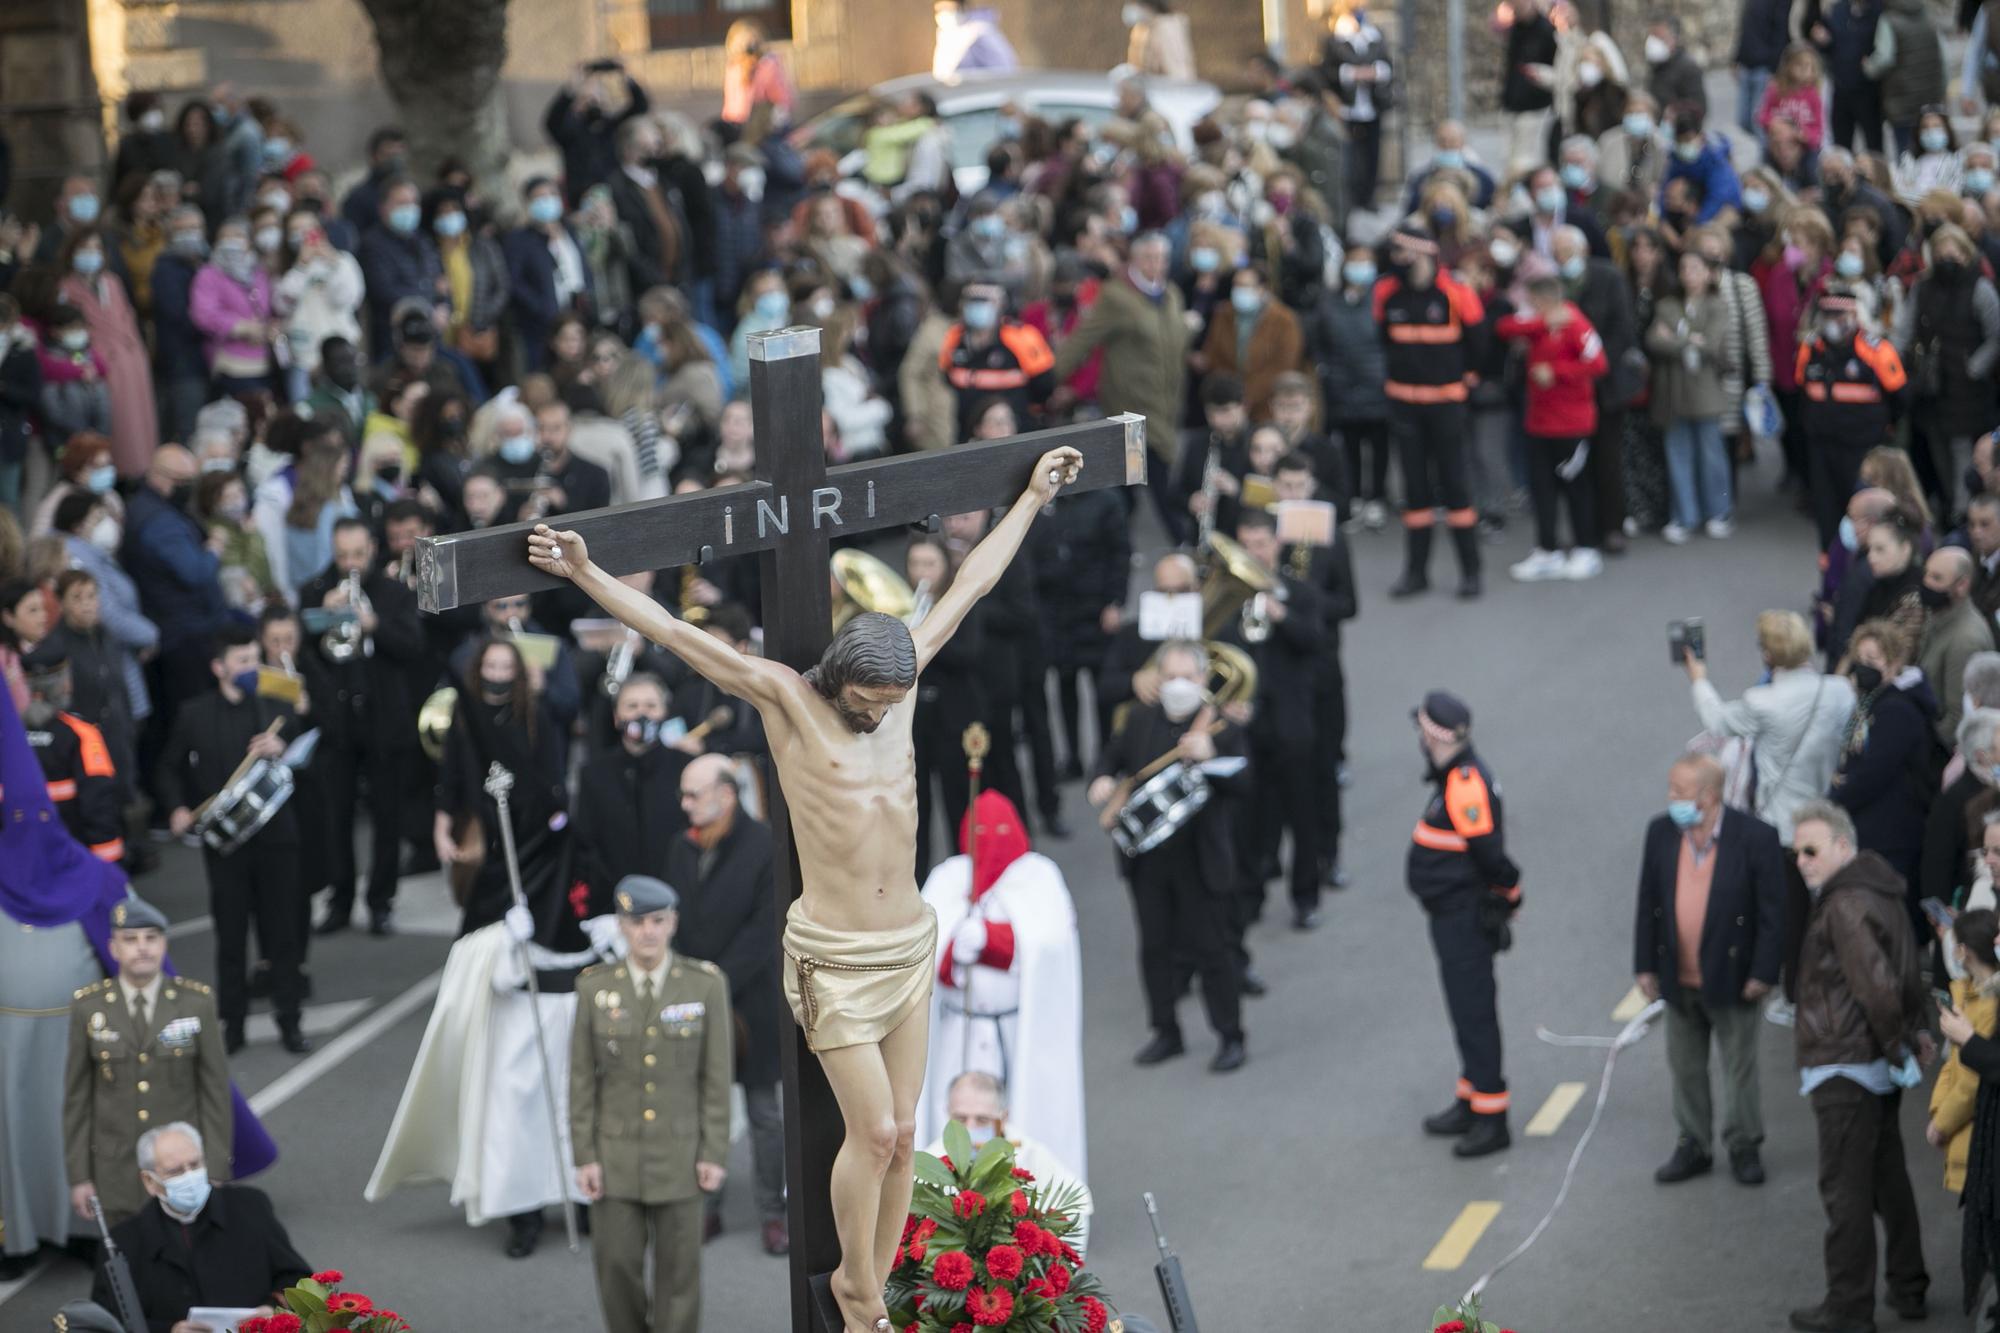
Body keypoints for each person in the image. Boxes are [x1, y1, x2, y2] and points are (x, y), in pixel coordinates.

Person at [528, 440, 1080, 1333]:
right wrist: (590, 574)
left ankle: (879, 1278)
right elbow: (675, 633)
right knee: (870, 1132)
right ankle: (852, 1288)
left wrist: (1032, 500)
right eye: (866, 699)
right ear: (839, 674)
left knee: (904, 1133)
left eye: (890, 698)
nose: (877, 712)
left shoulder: (900, 681)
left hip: (907, 942)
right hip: (832, 955)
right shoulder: (787, 699)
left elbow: (970, 584)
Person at [364, 859, 622, 1260]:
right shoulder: (505, 872)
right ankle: (525, 1215)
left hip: (580, 1009)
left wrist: (613, 935)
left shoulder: (589, 859)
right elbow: (483, 965)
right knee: (518, 1117)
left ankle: (588, 1200)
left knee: (585, 1110)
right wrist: (505, 940)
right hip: (523, 1018)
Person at [1787, 799, 1931, 1333]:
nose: (1801, 860)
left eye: (1811, 850)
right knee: (1887, 1179)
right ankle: (1908, 1284)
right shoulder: (1881, 890)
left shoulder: (1844, 904)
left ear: (1842, 847)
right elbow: (1906, 972)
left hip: (1843, 1065)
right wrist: (1908, 1039)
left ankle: (1848, 1308)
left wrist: (1897, 1043)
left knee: (1844, 1192)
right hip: (1872, 1063)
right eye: (1796, 850)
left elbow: (1876, 986)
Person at [570, 876, 732, 1333]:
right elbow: (581, 1080)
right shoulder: (593, 989)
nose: (648, 931)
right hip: (615, 1156)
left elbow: (716, 1078)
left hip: (681, 1155)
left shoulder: (705, 986)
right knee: (616, 1268)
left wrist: (714, 1152)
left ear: (673, 923)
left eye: (657, 921)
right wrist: (584, 1155)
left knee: (679, 1275)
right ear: (621, 926)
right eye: (637, 922)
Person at [1088, 639, 1248, 1073]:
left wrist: (1212, 756)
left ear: (1203, 679)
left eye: (1187, 677)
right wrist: (1102, 779)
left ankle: (1230, 1035)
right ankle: (1166, 1031)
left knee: (1212, 949)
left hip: (1200, 859)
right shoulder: (1139, 720)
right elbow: (1111, 758)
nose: (1178, 685)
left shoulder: (1220, 727)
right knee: (1154, 947)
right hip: (1149, 861)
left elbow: (1246, 785)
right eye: (1170, 676)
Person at [1634, 754, 1788, 1186]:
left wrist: (1764, 972)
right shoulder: (1661, 833)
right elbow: (1649, 902)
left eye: (1680, 791)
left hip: (1735, 978)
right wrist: (1645, 966)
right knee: (1685, 1067)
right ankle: (1693, 1144)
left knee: (1739, 1067)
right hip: (1677, 976)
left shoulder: (1755, 837)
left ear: (1709, 796)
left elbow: (1774, 914)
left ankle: (1744, 1145)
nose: (1671, 799)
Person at [919, 787, 1085, 1184]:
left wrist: (992, 939)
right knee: (959, 1114)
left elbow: (1049, 943)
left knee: (1015, 1115)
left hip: (1015, 1029)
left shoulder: (1037, 876)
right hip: (961, 1024)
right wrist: (952, 951)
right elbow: (921, 945)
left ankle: (1022, 1200)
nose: (989, 839)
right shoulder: (948, 877)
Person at [155, 629, 309, 1055]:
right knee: (231, 937)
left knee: (282, 937)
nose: (250, 669)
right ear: (218, 667)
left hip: (277, 838)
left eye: (254, 659)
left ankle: (291, 1022)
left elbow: (308, 745)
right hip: (226, 846)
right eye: (241, 661)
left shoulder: (276, 706)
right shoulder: (194, 714)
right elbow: (167, 767)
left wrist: (283, 744)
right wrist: (177, 809)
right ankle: (234, 1027)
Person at [665, 754, 787, 1255]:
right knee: (700, 1111)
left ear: (727, 794)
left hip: (750, 1001)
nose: (685, 804)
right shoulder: (680, 846)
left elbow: (764, 931)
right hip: (694, 996)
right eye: (684, 795)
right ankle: (706, 1207)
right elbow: (673, 917)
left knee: (763, 1112)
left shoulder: (764, 847)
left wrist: (713, 982)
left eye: (694, 794)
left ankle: (773, 1214)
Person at [64, 895, 232, 1227]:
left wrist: (214, 1166)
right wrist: (80, 1176)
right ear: (113, 948)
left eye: (151, 938)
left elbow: (214, 1091)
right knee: (127, 1264)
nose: (142, 948)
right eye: (130, 940)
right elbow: (77, 1099)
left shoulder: (195, 1003)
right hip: (117, 1174)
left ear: (164, 945)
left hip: (180, 1173)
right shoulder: (90, 1008)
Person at [1409, 690, 1521, 1159]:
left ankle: (1492, 1118)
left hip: (1463, 917)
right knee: (1463, 1011)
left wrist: (1508, 894)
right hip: (1449, 915)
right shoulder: (1453, 776)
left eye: (1421, 728)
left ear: (1434, 734)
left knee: (1474, 1014)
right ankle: (1471, 1098)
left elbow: (1491, 856)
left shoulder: (1466, 784)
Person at [295, 519, 421, 936]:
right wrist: (322, 620)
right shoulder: (316, 591)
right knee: (337, 818)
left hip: (385, 720)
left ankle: (380, 901)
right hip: (338, 722)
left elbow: (413, 646)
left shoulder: (394, 592)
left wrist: (374, 626)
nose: (350, 563)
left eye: (357, 554)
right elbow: (302, 652)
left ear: (372, 547)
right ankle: (340, 899)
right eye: (342, 555)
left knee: (388, 818)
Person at [92, 1122, 309, 1329]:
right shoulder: (124, 1242)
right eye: (175, 1171)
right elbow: (107, 1321)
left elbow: (297, 1278)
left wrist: (272, 1308)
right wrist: (169, 1331)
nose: (189, 1176)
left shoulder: (250, 1207)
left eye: (195, 1164)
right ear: (150, 1181)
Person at [1376, 223, 1486, 599]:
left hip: (1446, 407)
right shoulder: (1386, 293)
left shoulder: (1457, 293)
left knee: (1456, 488)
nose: (1397, 260)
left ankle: (1471, 571)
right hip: (1405, 407)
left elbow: (1480, 345)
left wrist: (1465, 383)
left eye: (1403, 252)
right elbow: (1383, 339)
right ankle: (1415, 572)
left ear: (1424, 253)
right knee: (1415, 494)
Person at [1051, 233, 1187, 534]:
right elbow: (1082, 341)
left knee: (1148, 483)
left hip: (1166, 408)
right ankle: (1180, 543)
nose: (1157, 265)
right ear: (1135, 260)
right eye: (1149, 258)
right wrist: (1048, 381)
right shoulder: (1116, 296)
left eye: (1162, 258)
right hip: (1132, 411)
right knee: (1149, 485)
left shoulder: (1172, 294)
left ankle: (1146, 542)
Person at [435, 638, 570, 937]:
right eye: (491, 666)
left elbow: (551, 773)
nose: (497, 674)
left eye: (506, 667)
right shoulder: (463, 715)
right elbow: (450, 774)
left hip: (528, 830)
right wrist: (442, 827)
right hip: (483, 829)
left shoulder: (534, 715)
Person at [1496, 272, 1610, 581]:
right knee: (1541, 489)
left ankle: (1586, 548)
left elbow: (1599, 364)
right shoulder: (1540, 326)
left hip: (1571, 424)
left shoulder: (1576, 325)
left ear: (1544, 300)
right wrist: (1542, 323)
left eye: (1533, 303)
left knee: (1576, 487)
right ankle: (1548, 550)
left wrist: (1557, 372)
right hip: (1539, 423)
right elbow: (1505, 328)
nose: (1528, 308)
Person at [1833, 619, 1940, 925]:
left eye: (1873, 660)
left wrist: (1836, 798)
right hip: (1878, 825)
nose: (1863, 667)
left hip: (1891, 833)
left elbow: (1872, 773)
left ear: (1894, 663)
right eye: (1860, 659)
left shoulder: (1897, 711)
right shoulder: (1875, 700)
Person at [1900, 223, 2000, 521]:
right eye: (1941, 250)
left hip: (1965, 389)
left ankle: (1960, 513)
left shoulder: (1980, 288)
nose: (1947, 256)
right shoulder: (1924, 286)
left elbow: (1996, 333)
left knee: (1961, 454)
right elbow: (1905, 329)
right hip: (1931, 384)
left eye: (1953, 250)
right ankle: (1948, 503)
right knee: (1937, 448)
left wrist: (1975, 366)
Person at [929, 1069, 1092, 1251]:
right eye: (960, 1118)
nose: (969, 1129)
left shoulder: (1030, 1154)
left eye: (982, 1120)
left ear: (1003, 1118)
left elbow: (1077, 1202)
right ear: (947, 1113)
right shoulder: (931, 1161)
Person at [20, 645, 124, 863]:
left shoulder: (8, 735)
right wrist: (109, 867)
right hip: (72, 856)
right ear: (65, 684)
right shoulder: (82, 734)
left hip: (21, 860)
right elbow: (98, 801)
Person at [1927, 907, 2000, 1202]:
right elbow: (1954, 1063)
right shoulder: (1967, 996)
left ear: (1963, 952)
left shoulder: (1987, 1006)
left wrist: (1941, 1123)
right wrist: (1937, 1111)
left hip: (1979, 1140)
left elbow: (1970, 1080)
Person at [940, 278, 1055, 440]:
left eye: (984, 300)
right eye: (971, 300)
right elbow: (945, 380)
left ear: (1001, 303)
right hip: (968, 435)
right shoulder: (953, 337)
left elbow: (1044, 386)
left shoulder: (1021, 337)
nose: (977, 306)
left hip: (1016, 434)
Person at [1199, 264, 1301, 423]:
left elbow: (1282, 366)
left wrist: (1248, 396)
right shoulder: (1223, 313)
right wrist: (1231, 396)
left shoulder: (1284, 320)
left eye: (1245, 286)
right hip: (1228, 408)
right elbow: (1213, 355)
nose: (1239, 290)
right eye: (1236, 285)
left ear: (1262, 289)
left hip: (1265, 408)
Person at [545, 59, 651, 207]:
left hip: (616, 195)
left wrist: (626, 76)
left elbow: (641, 106)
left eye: (596, 98)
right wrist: (570, 90)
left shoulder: (610, 126)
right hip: (582, 198)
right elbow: (552, 121)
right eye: (586, 99)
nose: (592, 103)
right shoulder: (570, 133)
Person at [1920, 547, 1997, 746]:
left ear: (1962, 585)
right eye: (1926, 574)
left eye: (1937, 578)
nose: (1927, 583)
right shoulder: (1939, 614)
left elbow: (1957, 719)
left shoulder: (1965, 640)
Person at [1124, 0, 1194, 78]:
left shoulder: (1166, 29)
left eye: (1133, 3)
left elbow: (1178, 73)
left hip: (1171, 88)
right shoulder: (1149, 29)